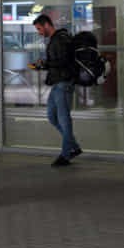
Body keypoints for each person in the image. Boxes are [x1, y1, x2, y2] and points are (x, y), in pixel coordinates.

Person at [31, 14, 82, 167]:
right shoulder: (56, 39)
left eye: (40, 29)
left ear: (47, 25)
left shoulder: (60, 39)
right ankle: (73, 146)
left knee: (64, 119)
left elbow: (64, 61)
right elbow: (59, 61)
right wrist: (45, 64)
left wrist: (45, 64)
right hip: (57, 83)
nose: (39, 32)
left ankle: (66, 154)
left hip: (63, 83)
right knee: (52, 116)